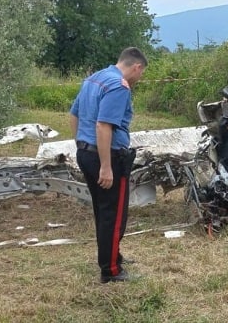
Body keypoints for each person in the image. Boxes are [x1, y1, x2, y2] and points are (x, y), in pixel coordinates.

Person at [70, 47, 148, 283]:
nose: (139, 79)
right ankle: (111, 269)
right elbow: (104, 126)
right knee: (113, 215)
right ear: (136, 67)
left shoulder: (94, 79)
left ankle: (112, 255)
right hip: (108, 158)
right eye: (141, 74)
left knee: (103, 211)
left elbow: (74, 114)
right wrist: (105, 166)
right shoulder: (118, 86)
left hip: (86, 153)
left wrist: (81, 145)